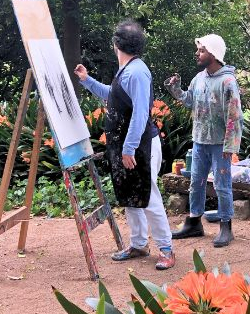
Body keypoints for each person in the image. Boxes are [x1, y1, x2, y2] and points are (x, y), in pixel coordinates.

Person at [73, 19, 175, 270]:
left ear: (116, 44)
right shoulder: (128, 69)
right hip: (127, 147)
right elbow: (114, 96)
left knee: (148, 196)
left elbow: (141, 114)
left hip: (141, 147)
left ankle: (166, 248)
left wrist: (129, 149)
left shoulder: (137, 72)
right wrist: (88, 81)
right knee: (130, 196)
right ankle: (139, 244)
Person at [163, 34, 243, 248]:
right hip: (199, 142)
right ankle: (194, 222)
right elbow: (189, 100)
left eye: (202, 50)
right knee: (195, 184)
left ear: (214, 54)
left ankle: (226, 226)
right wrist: (176, 89)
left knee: (222, 185)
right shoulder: (199, 78)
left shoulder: (228, 81)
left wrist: (230, 146)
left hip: (220, 145)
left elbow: (234, 116)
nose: (197, 54)